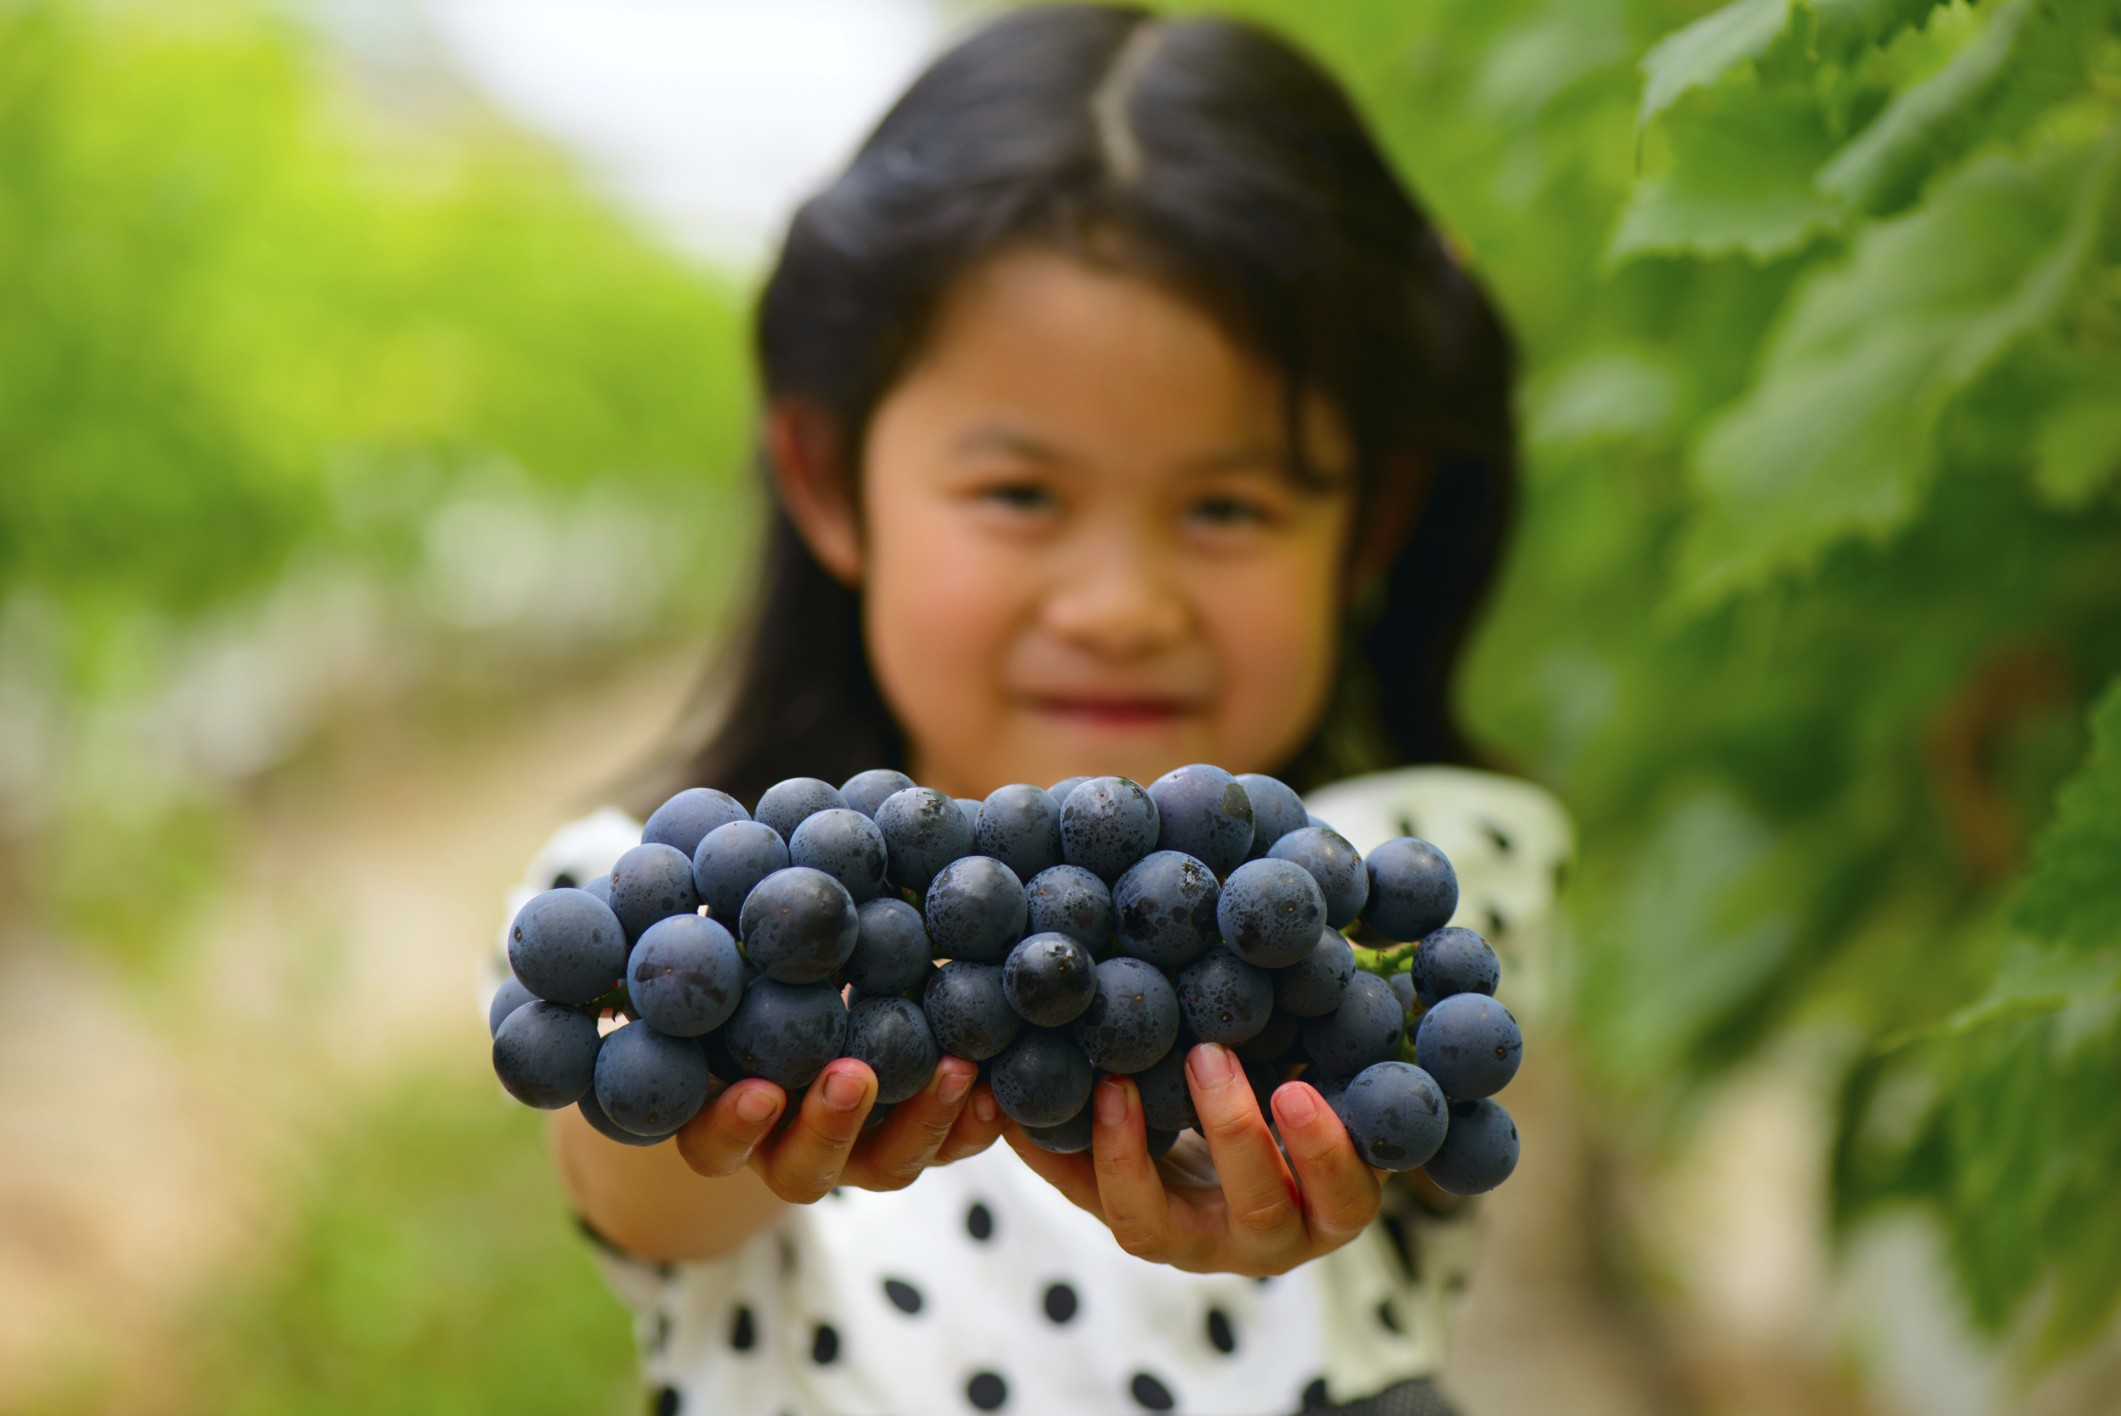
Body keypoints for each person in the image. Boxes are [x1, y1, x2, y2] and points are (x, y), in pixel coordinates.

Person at [487, 5, 1571, 1412]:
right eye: (1020, 495)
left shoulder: (1403, 882)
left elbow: (1433, 1105)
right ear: (827, 483)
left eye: (1226, 506)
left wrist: (1280, 1153)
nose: (1120, 603)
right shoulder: (658, 900)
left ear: (1369, 531)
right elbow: (635, 1188)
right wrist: (721, 1114)